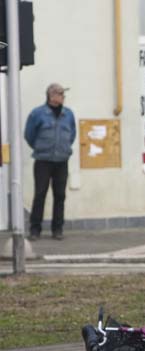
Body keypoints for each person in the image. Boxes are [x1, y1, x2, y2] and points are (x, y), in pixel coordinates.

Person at [24, 83, 76, 240]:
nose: (63, 97)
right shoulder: (38, 114)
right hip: (43, 160)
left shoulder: (68, 114)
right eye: (60, 94)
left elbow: (72, 135)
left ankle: (57, 229)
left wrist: (63, 148)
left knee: (60, 195)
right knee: (40, 194)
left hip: (62, 160)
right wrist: (41, 148)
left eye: (63, 94)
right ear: (51, 96)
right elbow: (29, 135)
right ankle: (35, 229)